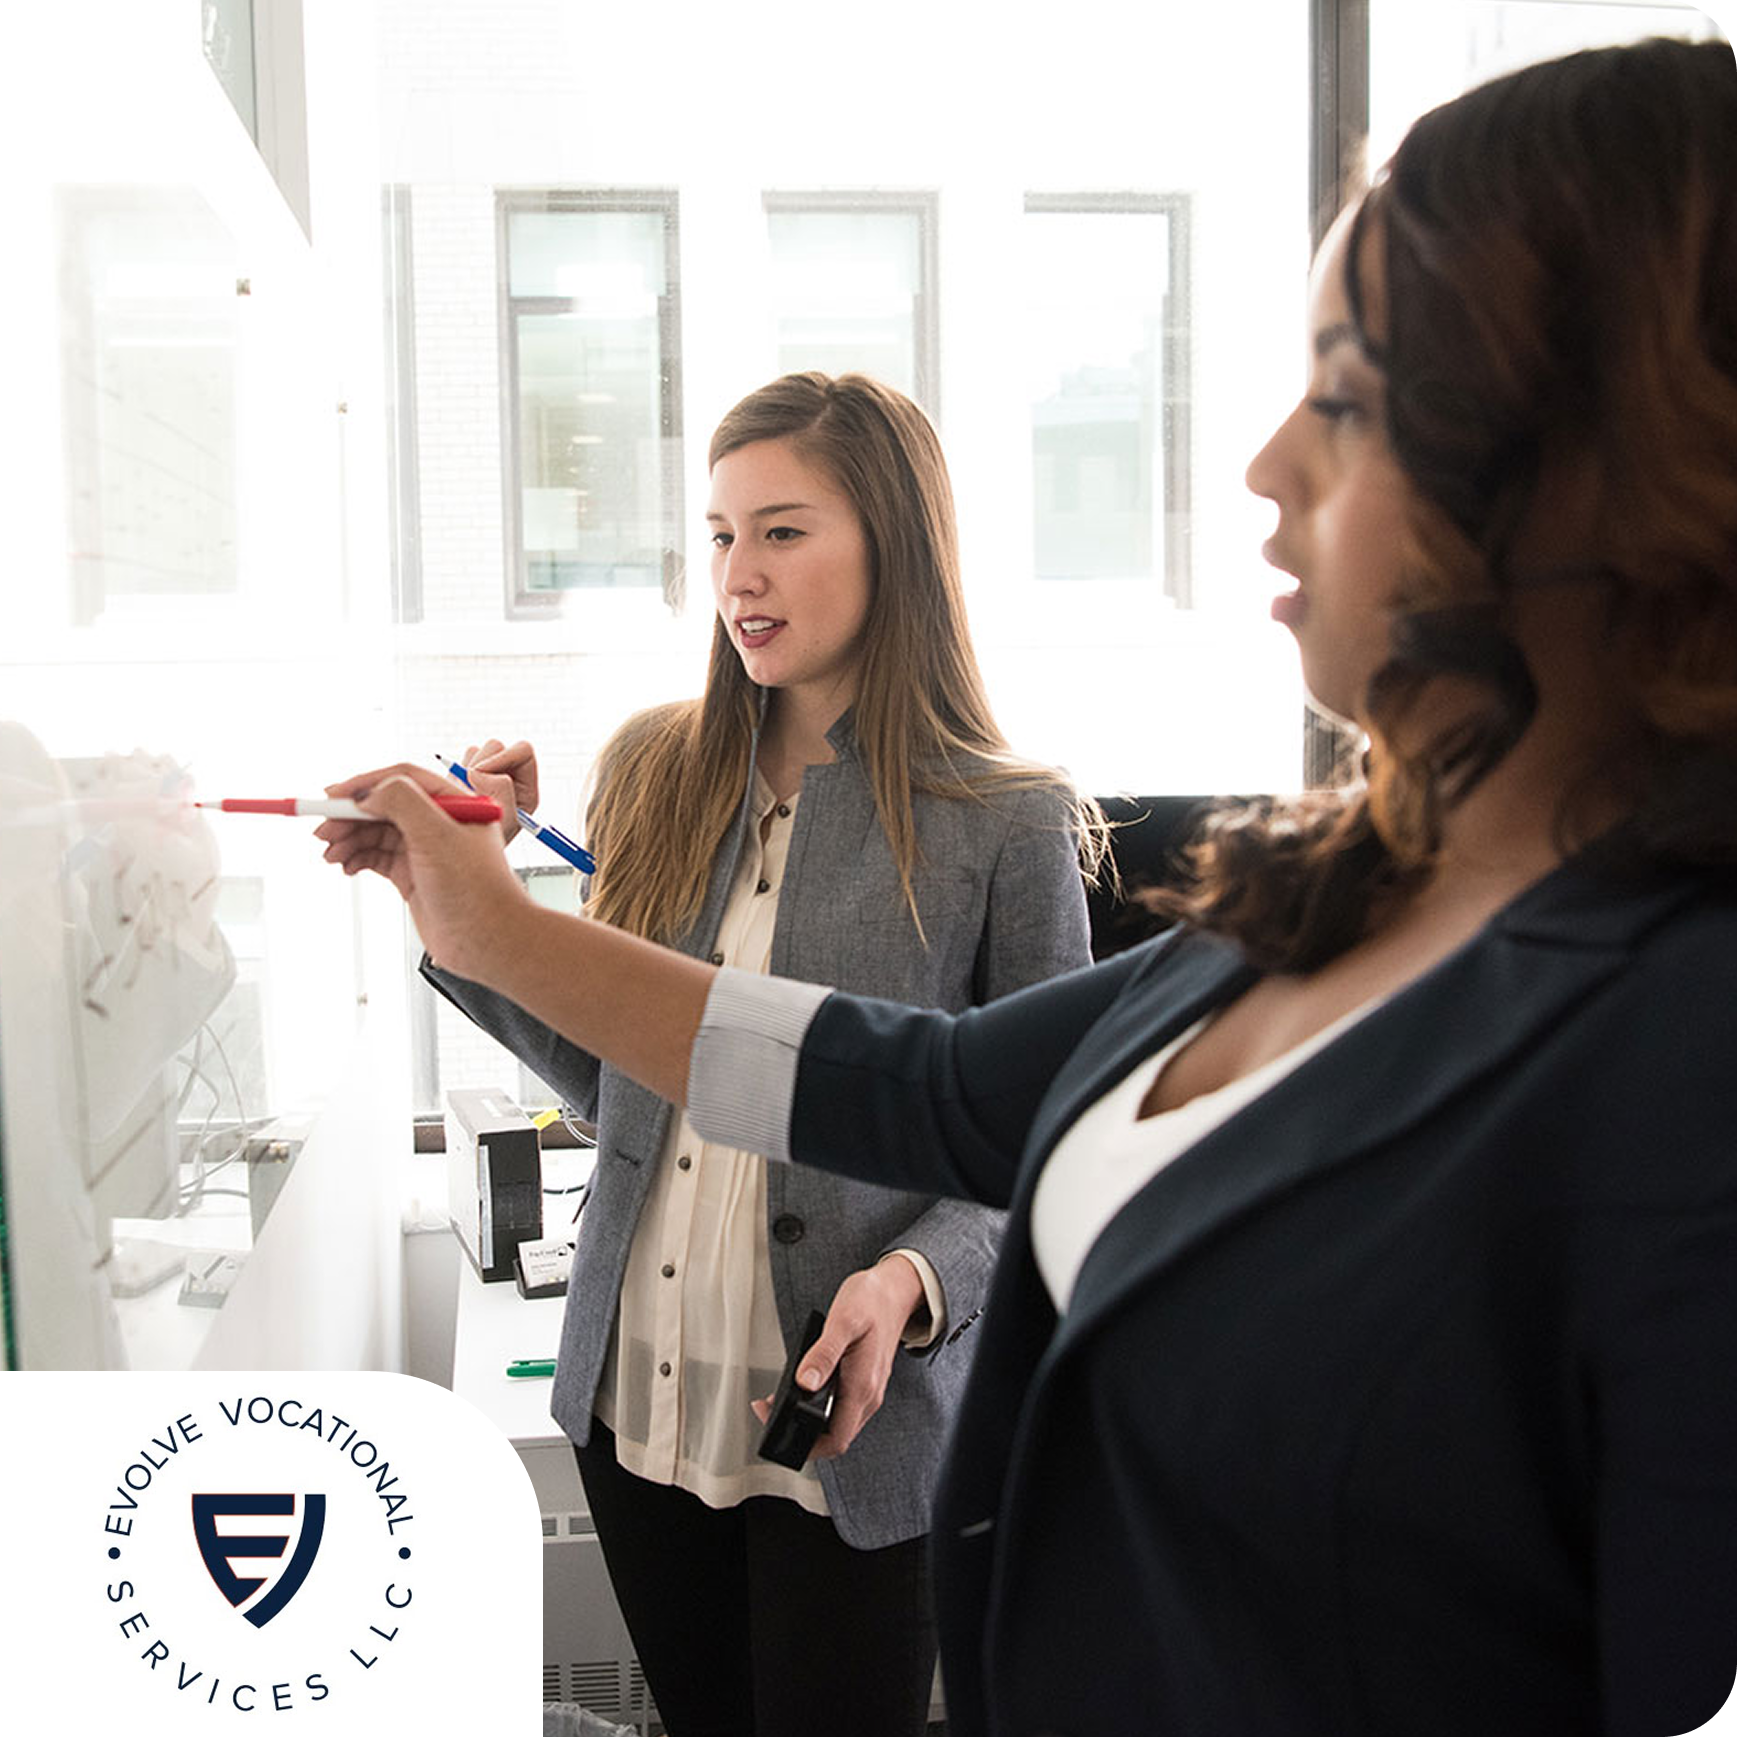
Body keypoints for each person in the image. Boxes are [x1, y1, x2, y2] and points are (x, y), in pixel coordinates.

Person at [321, 37, 1737, 1737]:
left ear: (1623, 459)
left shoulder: (1678, 1060)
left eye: (1352, 397)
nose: (1264, 465)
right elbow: (907, 1088)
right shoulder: (1311, 912)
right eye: (721, 535)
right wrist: (484, 925)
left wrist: (909, 1284)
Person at [332, 372, 1100, 1737]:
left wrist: (914, 1282)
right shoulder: (655, 767)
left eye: (784, 532)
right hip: (637, 1392)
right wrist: (459, 904)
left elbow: (1048, 1151)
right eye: (721, 535)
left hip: (850, 1427)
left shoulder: (1006, 818)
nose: (739, 576)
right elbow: (617, 1082)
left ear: (895, 543)